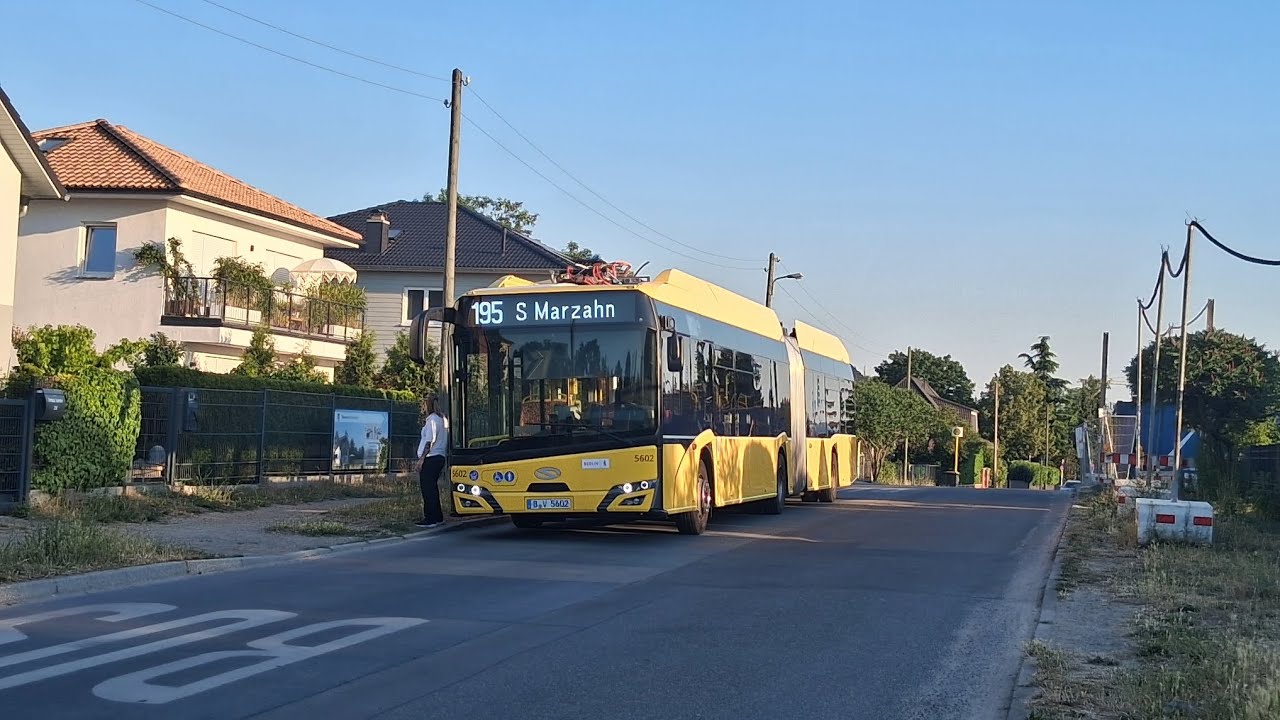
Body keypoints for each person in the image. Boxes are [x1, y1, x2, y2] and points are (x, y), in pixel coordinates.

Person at [414, 393, 449, 528]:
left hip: (430, 458)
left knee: (427, 489)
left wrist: (421, 459)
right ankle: (438, 516)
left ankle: (430, 518)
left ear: (427, 405)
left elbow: (429, 441)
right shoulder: (443, 419)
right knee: (433, 488)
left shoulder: (432, 420)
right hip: (440, 457)